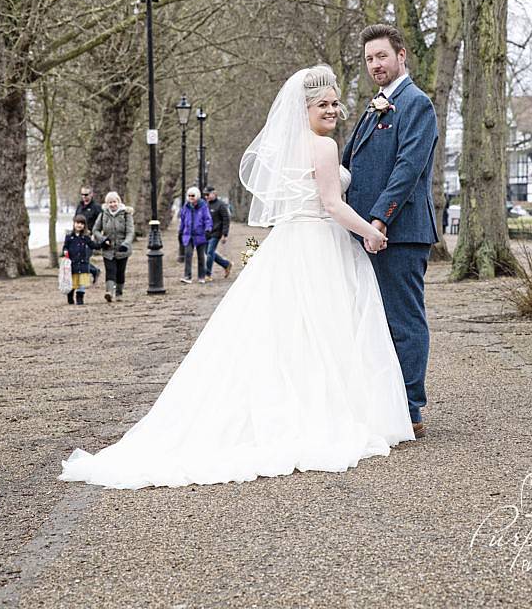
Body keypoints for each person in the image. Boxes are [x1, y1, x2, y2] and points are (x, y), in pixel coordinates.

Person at [59, 65, 413, 489]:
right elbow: (333, 205)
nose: (333, 110)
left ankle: (296, 405)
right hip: (318, 243)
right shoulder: (323, 147)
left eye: (336, 103)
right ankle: (321, 413)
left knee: (291, 333)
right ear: (304, 110)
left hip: (292, 243)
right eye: (323, 105)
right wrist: (372, 232)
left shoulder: (294, 146)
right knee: (323, 328)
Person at [342, 24, 438, 439]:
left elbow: (407, 169)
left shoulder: (417, 103)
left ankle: (411, 408)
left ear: (402, 56)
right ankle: (385, 403)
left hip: (399, 232)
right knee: (374, 320)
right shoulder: (374, 106)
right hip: (369, 232)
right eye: (369, 59)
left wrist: (379, 219)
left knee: (403, 319)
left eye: (381, 56)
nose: (375, 65)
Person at [93, 192, 134, 303]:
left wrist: (126, 244)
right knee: (110, 270)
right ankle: (109, 292)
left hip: (122, 248)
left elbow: (130, 232)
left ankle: (119, 293)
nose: (112, 204)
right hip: (108, 249)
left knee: (120, 272)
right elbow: (95, 230)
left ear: (118, 202)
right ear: (107, 204)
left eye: (114, 201)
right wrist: (103, 239)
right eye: (110, 202)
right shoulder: (103, 214)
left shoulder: (126, 214)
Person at [62, 214, 101, 305]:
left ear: (84, 225)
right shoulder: (69, 236)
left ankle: (80, 298)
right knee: (73, 282)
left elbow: (93, 245)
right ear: (74, 224)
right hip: (72, 263)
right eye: (77, 223)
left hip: (83, 263)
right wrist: (65, 251)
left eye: (82, 224)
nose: (79, 225)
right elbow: (65, 247)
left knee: (82, 282)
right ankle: (70, 296)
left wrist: (103, 244)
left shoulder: (86, 237)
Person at [179, 186, 213, 284]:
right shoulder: (186, 207)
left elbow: (207, 219)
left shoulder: (203, 206)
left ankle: (201, 276)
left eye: (193, 195)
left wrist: (208, 229)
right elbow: (182, 219)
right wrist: (180, 231)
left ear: (197, 196)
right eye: (189, 196)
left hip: (200, 234)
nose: (191, 197)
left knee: (201, 256)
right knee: (188, 255)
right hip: (188, 235)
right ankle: (187, 276)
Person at [75, 186, 102, 283]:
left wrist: (96, 234)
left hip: (90, 236)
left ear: (91, 194)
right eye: (82, 195)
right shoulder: (79, 206)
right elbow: (76, 220)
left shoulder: (96, 207)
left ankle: (84, 280)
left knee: (84, 257)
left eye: (86, 194)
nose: (84, 197)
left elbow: (101, 222)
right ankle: (94, 271)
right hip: (78, 236)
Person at [204, 185, 231, 280]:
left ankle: (207, 274)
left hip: (216, 233)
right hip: (207, 233)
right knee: (208, 253)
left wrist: (225, 234)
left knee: (210, 252)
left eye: (208, 194)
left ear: (214, 193)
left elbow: (226, 219)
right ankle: (226, 264)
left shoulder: (221, 205)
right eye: (205, 195)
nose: (206, 196)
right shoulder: (205, 205)